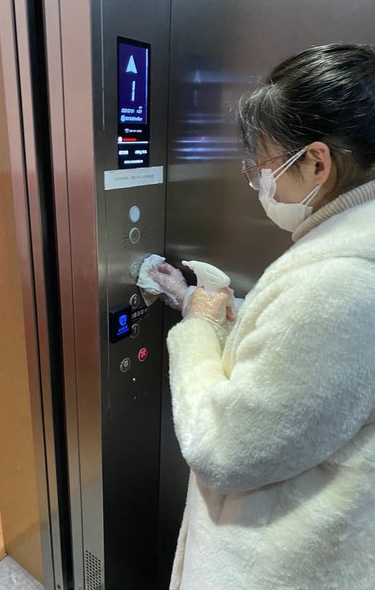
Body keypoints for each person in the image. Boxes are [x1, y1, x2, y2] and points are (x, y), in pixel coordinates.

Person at [150, 43, 375, 589]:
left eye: (262, 166)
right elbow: (302, 353)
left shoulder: (341, 281)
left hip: (277, 563)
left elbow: (223, 448)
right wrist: (209, 305)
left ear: (317, 162)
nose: (258, 184)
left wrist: (198, 330)